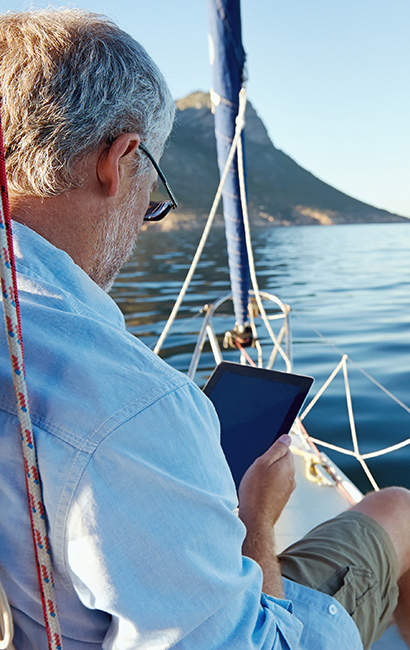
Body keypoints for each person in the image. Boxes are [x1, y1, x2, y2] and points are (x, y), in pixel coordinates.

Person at [0, 9, 409, 650]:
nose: (144, 222)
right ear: (120, 160)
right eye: (155, 196)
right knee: (399, 510)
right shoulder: (136, 412)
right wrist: (255, 525)